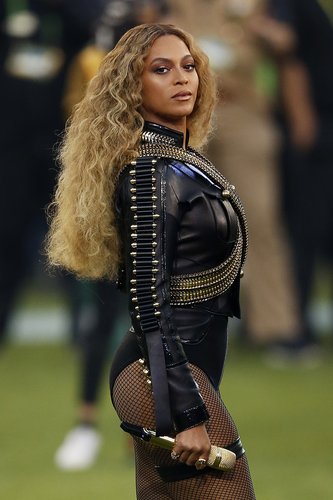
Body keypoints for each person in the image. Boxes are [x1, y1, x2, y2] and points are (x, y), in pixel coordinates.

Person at [46, 23, 255, 499]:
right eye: (161, 70)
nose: (182, 78)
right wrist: (186, 414)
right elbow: (147, 302)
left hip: (175, 368)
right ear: (132, 88)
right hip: (160, 374)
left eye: (188, 66)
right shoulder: (150, 173)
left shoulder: (178, 160)